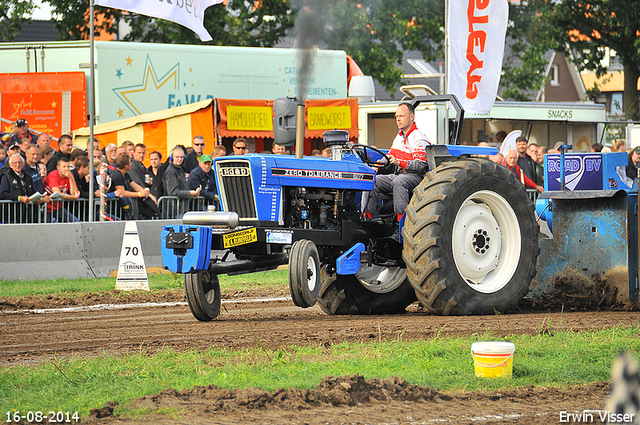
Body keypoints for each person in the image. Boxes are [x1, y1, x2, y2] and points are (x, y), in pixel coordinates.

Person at [363, 102, 430, 229]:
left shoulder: (419, 138)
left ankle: (401, 225)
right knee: (373, 180)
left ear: (412, 117)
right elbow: (389, 156)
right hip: (400, 174)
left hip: (416, 177)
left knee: (399, 181)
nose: (398, 119)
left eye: (401, 116)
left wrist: (399, 162)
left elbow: (421, 166)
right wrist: (375, 167)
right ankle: (367, 220)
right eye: (396, 116)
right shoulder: (398, 137)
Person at [110, 154, 156, 220]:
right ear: (126, 166)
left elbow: (135, 186)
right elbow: (121, 192)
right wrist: (139, 194)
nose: (131, 164)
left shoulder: (125, 174)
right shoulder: (117, 175)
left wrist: (149, 194)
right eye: (130, 162)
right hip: (115, 208)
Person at [163, 146, 200, 217]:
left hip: (181, 208)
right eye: (177, 157)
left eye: (182, 157)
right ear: (172, 157)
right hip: (176, 210)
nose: (180, 159)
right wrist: (190, 193)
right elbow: (173, 192)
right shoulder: (171, 171)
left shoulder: (180, 169)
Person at [43, 157, 80, 222]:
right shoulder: (53, 175)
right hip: (47, 207)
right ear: (58, 167)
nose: (66, 169)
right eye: (64, 167)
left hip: (58, 207)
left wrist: (71, 178)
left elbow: (74, 193)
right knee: (49, 227)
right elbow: (57, 193)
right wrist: (74, 197)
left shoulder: (70, 175)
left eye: (68, 167)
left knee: (75, 221)